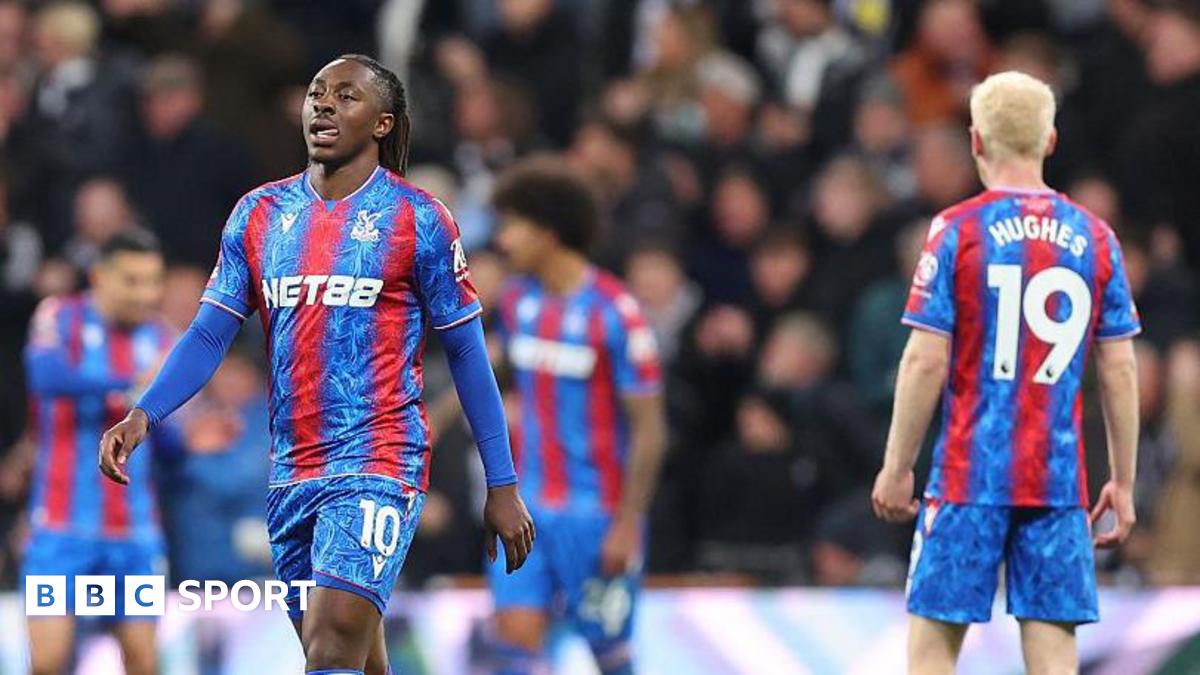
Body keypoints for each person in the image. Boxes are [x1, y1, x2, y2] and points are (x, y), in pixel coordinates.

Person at [98, 54, 534, 675]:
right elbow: (208, 334)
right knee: (352, 658)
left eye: (345, 97)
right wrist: (145, 413)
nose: (323, 104)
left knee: (331, 648)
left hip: (379, 463)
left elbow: (466, 352)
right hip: (292, 473)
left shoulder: (418, 218)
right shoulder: (259, 215)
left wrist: (503, 482)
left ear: (383, 124)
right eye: (316, 94)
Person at [871, 71, 1141, 675]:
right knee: (1052, 655)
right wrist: (1123, 481)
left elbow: (924, 358)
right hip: (1056, 484)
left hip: (970, 477)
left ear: (974, 141)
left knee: (933, 651)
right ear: (1050, 140)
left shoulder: (956, 230)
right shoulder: (1095, 237)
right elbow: (1119, 368)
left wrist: (897, 467)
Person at [486, 158, 667, 675]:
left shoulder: (616, 313)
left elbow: (651, 431)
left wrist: (628, 524)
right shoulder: (518, 300)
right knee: (516, 640)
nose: (503, 239)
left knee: (608, 656)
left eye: (512, 225)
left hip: (598, 514)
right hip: (525, 508)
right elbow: (486, 369)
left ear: (547, 233)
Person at [23, 229, 172, 675]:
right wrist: (130, 389)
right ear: (99, 277)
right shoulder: (59, 317)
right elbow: (46, 377)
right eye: (132, 280)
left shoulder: (163, 339)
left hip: (135, 533)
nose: (145, 293)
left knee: (144, 664)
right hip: (61, 528)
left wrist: (190, 438)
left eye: (152, 280)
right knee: (48, 664)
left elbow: (167, 438)